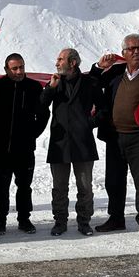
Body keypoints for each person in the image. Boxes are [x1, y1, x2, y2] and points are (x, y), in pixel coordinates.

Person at [90, 34, 139, 238]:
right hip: (115, 136)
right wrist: (99, 66)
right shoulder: (115, 73)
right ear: (124, 53)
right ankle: (116, 219)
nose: (136, 51)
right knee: (114, 181)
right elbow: (92, 83)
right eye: (131, 49)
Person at [42, 48, 104, 237]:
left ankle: (84, 222)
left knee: (85, 187)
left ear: (73, 62)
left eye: (61, 59)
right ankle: (60, 222)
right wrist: (50, 88)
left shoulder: (89, 82)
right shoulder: (55, 82)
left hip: (83, 143)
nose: (57, 63)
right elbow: (40, 105)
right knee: (59, 187)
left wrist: (89, 123)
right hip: (59, 144)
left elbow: (104, 108)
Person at [0, 53, 47, 234]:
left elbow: (44, 114)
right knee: (1, 186)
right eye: (14, 68)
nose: (19, 71)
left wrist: (33, 134)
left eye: (21, 67)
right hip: (2, 149)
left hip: (25, 148)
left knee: (24, 186)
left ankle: (24, 219)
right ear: (6, 69)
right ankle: (0, 219)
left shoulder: (33, 87)